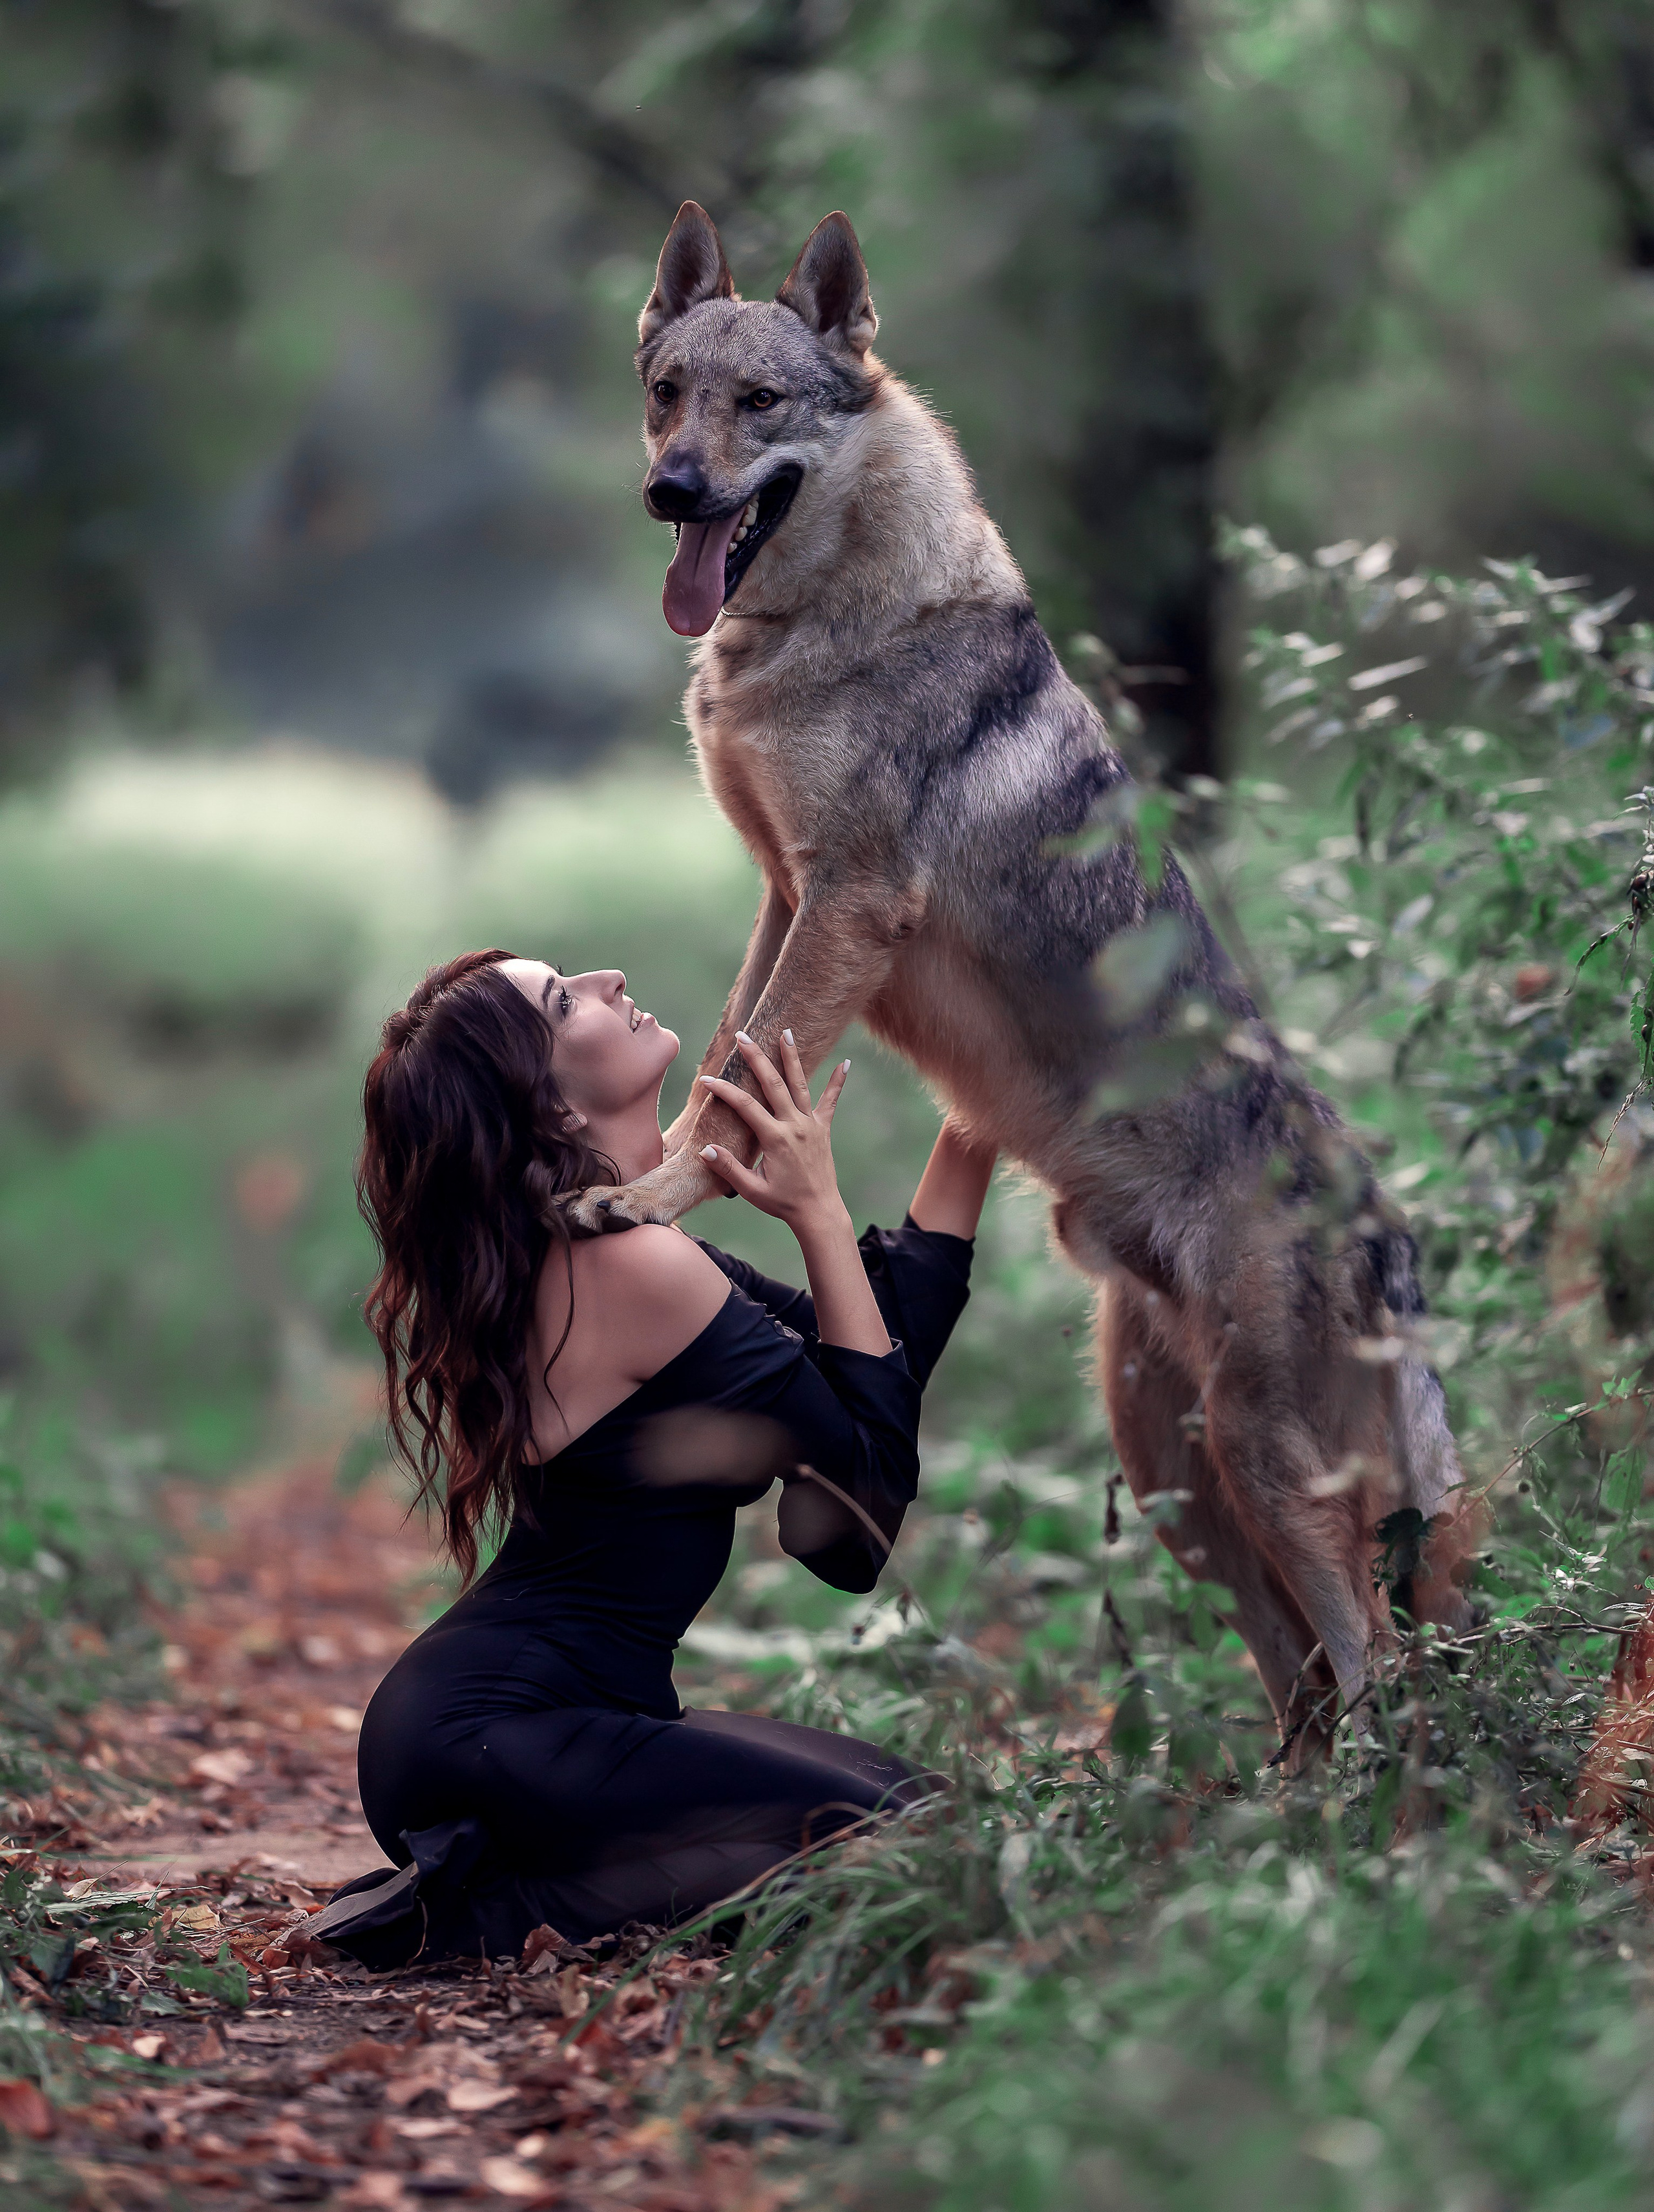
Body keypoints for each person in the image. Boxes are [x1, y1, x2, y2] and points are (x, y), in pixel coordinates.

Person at [307, 949, 995, 1967]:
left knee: (920, 1812)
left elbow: (869, 1355)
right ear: (554, 1109)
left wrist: (985, 1101)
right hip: (499, 1734)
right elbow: (850, 1530)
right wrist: (817, 1213)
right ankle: (470, 1908)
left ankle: (504, 1880)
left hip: (498, 1727)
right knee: (910, 1854)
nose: (612, 977)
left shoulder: (614, 1244)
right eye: (563, 1000)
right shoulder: (633, 1267)